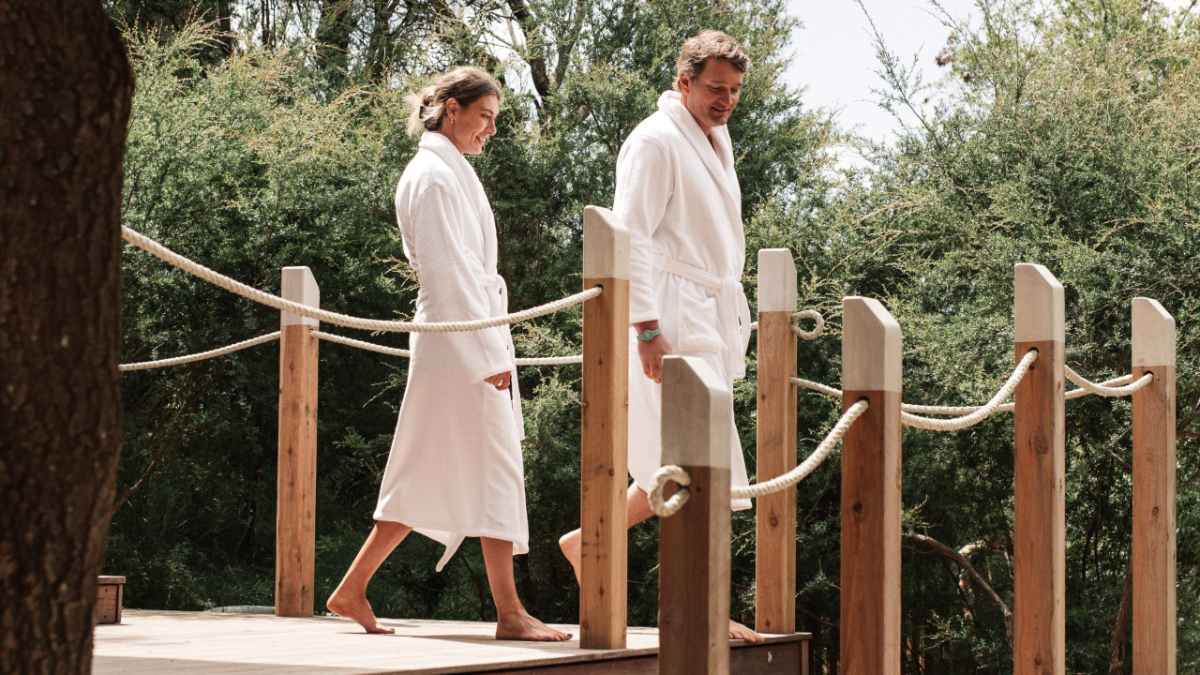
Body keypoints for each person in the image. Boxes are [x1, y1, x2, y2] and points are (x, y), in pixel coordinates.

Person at [326, 66, 569, 642]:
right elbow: (446, 271)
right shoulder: (431, 177)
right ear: (452, 109)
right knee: (496, 466)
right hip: (460, 339)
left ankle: (352, 588)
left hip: (464, 334)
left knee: (431, 467)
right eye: (484, 116)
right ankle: (510, 613)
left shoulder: (447, 171)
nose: (490, 129)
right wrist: (487, 354)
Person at [558, 30, 762, 643]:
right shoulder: (653, 141)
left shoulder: (715, 138)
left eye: (733, 91)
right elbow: (635, 237)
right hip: (668, 317)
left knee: (677, 463)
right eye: (714, 89)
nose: (724, 101)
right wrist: (645, 326)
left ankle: (587, 541)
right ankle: (704, 609)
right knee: (697, 469)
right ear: (684, 81)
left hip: (707, 312)